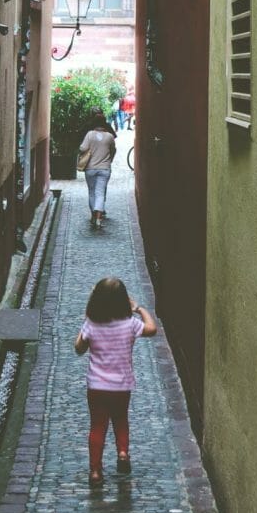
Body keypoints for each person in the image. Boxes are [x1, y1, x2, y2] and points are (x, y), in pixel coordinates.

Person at [74, 277, 157, 486]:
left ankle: (95, 472)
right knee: (121, 420)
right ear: (123, 302)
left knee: (97, 426)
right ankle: (122, 454)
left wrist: (86, 324)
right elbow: (152, 329)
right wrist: (139, 308)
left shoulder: (91, 325)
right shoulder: (130, 324)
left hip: (97, 386)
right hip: (121, 385)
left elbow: (78, 348)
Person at [78, 111, 116, 229]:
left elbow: (83, 148)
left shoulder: (90, 134)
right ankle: (99, 218)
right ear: (104, 124)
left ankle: (93, 216)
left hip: (90, 168)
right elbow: (113, 150)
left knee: (92, 192)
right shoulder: (109, 136)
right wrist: (109, 160)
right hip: (105, 169)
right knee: (100, 193)